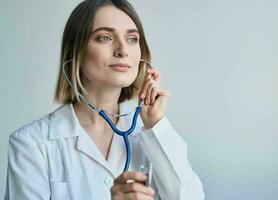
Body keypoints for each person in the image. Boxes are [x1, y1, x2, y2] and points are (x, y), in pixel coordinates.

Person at [5, 0, 205, 199]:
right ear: (76, 53)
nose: (122, 50)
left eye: (132, 39)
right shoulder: (32, 143)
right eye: (105, 37)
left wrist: (156, 125)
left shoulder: (152, 137)